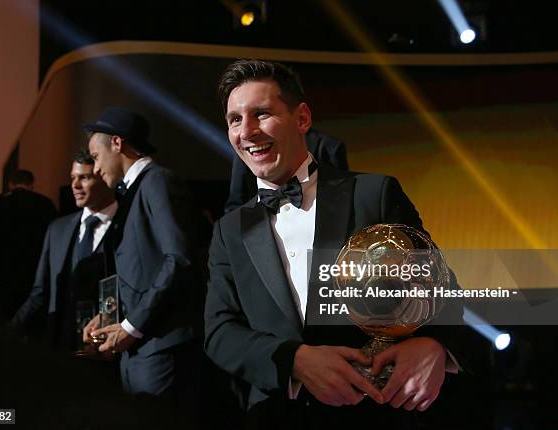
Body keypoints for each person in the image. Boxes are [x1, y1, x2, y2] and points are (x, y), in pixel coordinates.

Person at [204, 60, 467, 428]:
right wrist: (293, 360)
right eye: (234, 119)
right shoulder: (229, 230)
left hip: (375, 412)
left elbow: (442, 289)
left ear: (302, 119)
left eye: (261, 114)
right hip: (275, 415)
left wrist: (437, 345)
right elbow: (220, 332)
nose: (246, 131)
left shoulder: (372, 195)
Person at [82, 107, 202, 410]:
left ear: (118, 144)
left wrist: (131, 326)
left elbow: (179, 260)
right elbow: (140, 270)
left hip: (160, 349)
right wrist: (110, 320)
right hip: (139, 350)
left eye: (95, 157)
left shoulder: (157, 181)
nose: (95, 169)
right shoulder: (135, 190)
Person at [11, 150, 117, 351]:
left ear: (104, 178)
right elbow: (39, 293)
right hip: (61, 348)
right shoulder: (57, 229)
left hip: (110, 353)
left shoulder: (128, 226)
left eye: (84, 177)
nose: (75, 186)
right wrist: (8, 332)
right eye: (73, 178)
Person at [0, 169, 57, 321]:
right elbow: (56, 239)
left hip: (1, 280)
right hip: (33, 278)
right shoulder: (44, 204)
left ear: (10, 184)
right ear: (31, 185)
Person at [224, 128, 348, 213]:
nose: (246, 132)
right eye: (236, 119)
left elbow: (341, 200)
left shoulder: (330, 146)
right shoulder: (248, 151)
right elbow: (236, 204)